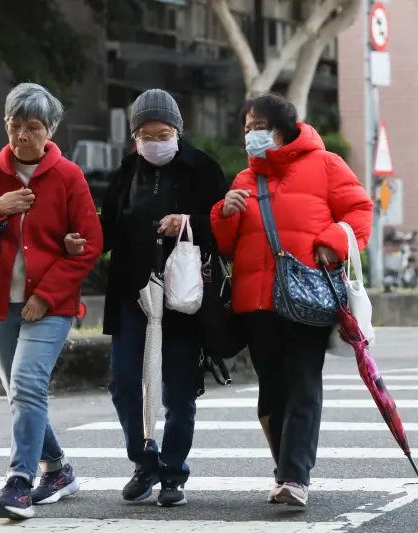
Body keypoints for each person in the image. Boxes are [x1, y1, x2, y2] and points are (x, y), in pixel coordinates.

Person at [209, 93, 373, 508]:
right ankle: (285, 470)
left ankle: (295, 476)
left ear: (281, 128)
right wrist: (222, 214)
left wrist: (333, 242)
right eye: (246, 128)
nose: (250, 135)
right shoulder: (245, 180)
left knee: (303, 384)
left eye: (257, 127)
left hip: (307, 299)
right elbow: (226, 246)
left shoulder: (326, 165)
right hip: (256, 304)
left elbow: (359, 211)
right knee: (272, 390)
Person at [0, 82, 103, 519]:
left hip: (50, 305)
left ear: (49, 130)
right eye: (15, 126)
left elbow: (91, 243)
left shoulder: (68, 176)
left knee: (28, 385)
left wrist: (48, 294)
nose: (21, 136)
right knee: (20, 392)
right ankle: (58, 468)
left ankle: (20, 481)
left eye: (32, 127)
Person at [85, 88, 227, 507]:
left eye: (162, 133)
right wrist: (83, 239)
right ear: (134, 137)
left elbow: (225, 229)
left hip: (184, 301)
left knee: (179, 392)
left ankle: (173, 473)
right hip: (133, 297)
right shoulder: (127, 171)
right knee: (124, 383)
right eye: (145, 135)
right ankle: (144, 462)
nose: (154, 142)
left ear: (178, 131)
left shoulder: (203, 169)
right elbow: (107, 231)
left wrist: (189, 222)